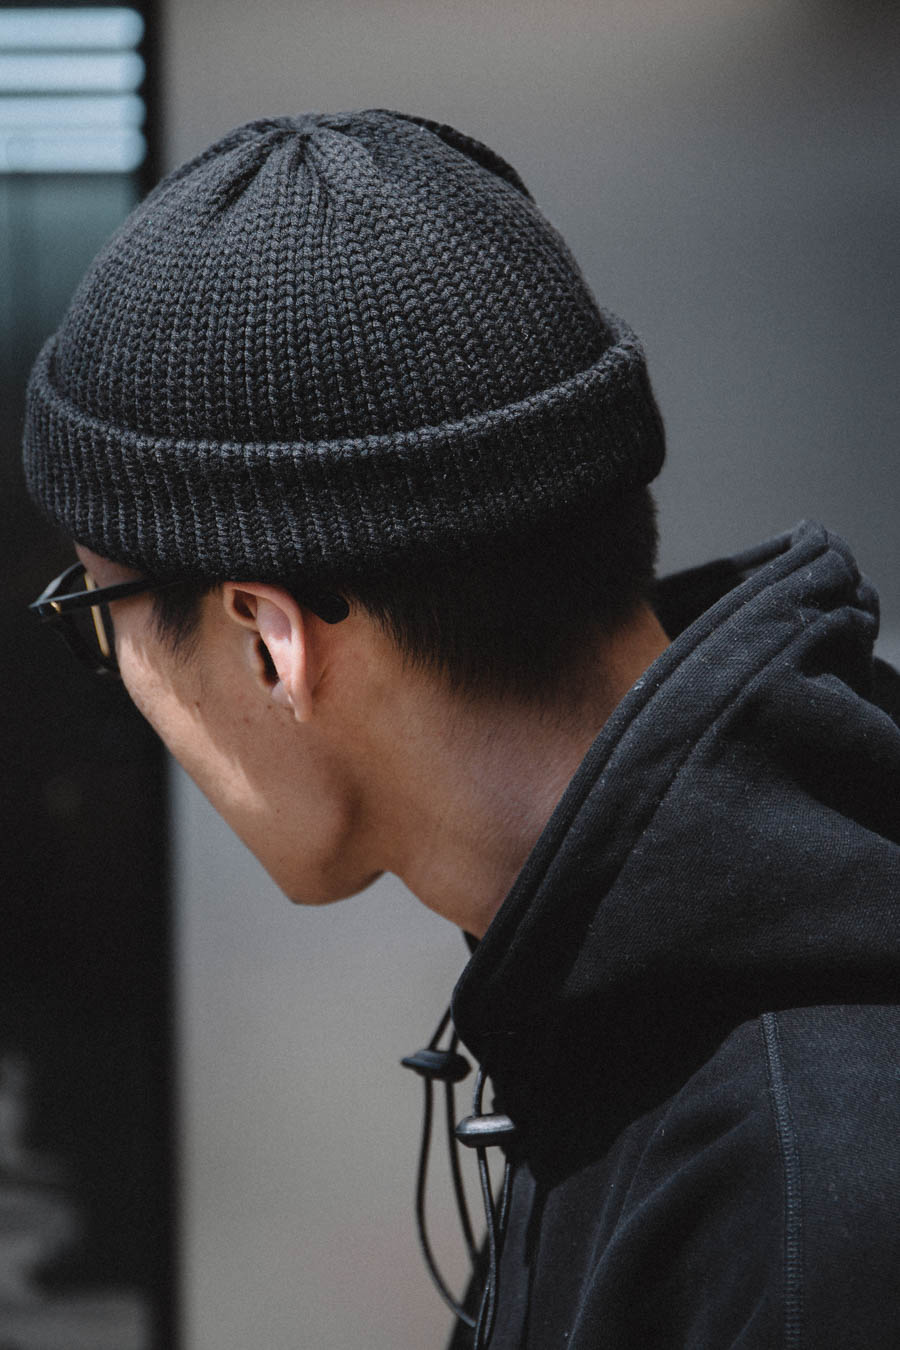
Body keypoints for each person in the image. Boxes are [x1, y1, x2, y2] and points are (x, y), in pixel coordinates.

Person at [23, 110, 900, 1349]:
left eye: (97, 614)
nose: (118, 674)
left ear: (267, 640)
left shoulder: (808, 1207)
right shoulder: (646, 1005)